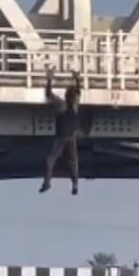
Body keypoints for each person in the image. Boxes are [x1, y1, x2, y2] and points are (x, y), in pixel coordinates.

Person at [39, 66, 81, 195]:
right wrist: (77, 79)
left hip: (62, 137)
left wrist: (49, 79)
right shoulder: (73, 105)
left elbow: (48, 94)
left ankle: (47, 182)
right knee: (72, 162)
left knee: (51, 160)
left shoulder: (62, 105)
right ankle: (74, 185)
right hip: (70, 137)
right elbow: (78, 92)